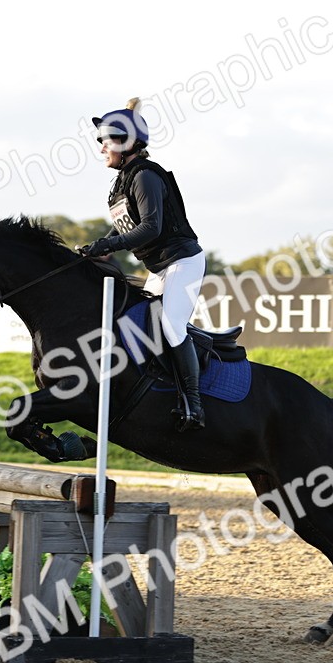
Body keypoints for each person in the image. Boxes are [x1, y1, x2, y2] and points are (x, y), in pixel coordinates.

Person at [81, 97, 206, 432]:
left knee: (171, 326)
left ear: (124, 141)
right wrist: (100, 249)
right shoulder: (123, 180)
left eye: (105, 141)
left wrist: (107, 245)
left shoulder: (145, 176)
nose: (102, 149)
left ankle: (194, 405)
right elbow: (125, 226)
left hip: (182, 262)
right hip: (159, 268)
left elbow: (149, 227)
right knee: (140, 323)